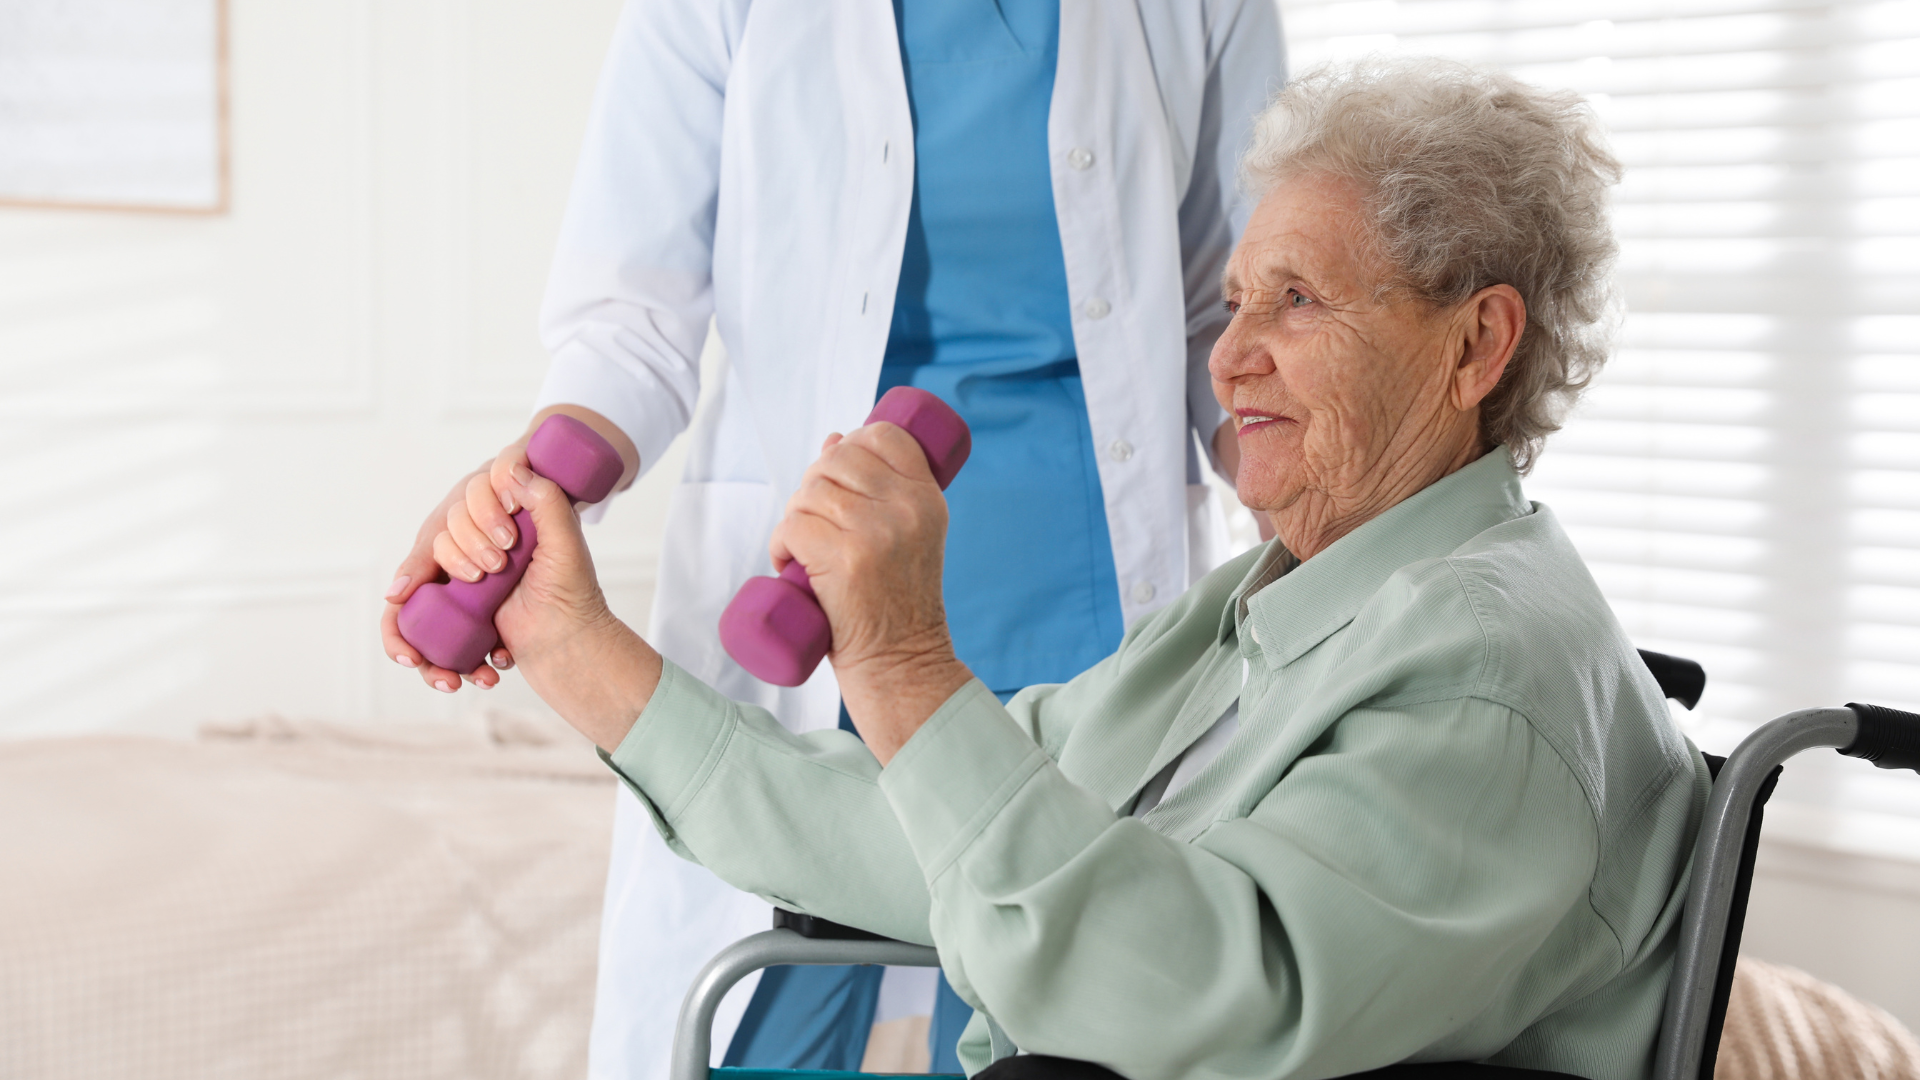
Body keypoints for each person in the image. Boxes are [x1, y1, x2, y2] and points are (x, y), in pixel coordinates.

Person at [456, 58, 1713, 1080]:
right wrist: (573, 645)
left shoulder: (1479, 668)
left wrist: (896, 661)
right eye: (1233, 302)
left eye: (1298, 301)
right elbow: (933, 839)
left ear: (1475, 342)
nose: (1228, 358)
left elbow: (1183, 1007)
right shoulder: (1267, 611)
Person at [380, 0, 1285, 1074]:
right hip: (810, 601)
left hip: (1084, 606)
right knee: (769, 1010)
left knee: (1046, 1015)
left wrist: (1339, 503)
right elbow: (633, 321)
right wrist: (530, 490)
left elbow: (1226, 320)